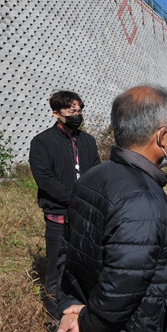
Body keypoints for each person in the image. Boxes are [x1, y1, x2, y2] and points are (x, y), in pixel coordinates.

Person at [54, 85, 167, 332]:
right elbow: (121, 286)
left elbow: (68, 253)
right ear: (162, 136)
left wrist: (72, 305)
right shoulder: (142, 199)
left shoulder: (95, 176)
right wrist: (86, 325)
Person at [29, 90, 101, 319]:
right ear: (55, 114)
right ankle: (55, 319)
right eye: (71, 110)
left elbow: (97, 173)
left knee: (86, 267)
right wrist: (75, 199)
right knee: (56, 270)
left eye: (79, 110)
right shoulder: (42, 142)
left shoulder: (88, 141)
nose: (76, 115)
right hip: (58, 216)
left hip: (85, 217)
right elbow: (45, 179)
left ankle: (83, 315)